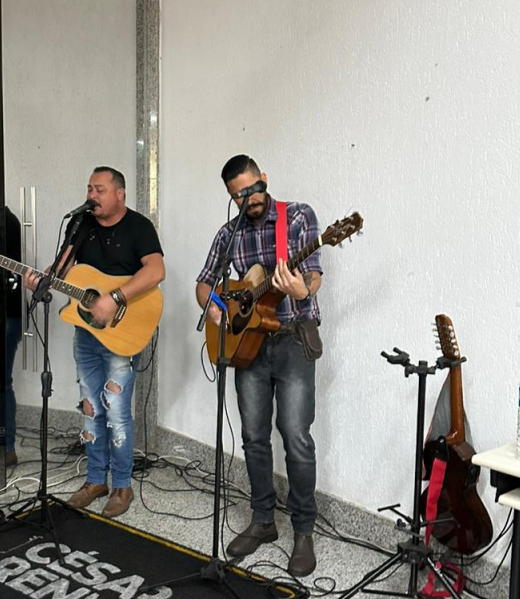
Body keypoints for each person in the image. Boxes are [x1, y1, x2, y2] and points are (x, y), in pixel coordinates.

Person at [195, 155, 323, 577]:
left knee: (296, 436)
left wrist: (302, 289)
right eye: (237, 196)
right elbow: (204, 283)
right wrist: (216, 310)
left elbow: (314, 276)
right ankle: (263, 520)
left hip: (292, 340)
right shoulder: (229, 234)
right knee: (253, 436)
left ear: (263, 180)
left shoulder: (297, 217)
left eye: (251, 190)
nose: (247, 199)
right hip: (248, 345)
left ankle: (303, 530)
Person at [25, 167, 164, 518]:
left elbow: (156, 271)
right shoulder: (81, 225)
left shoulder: (139, 227)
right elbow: (62, 269)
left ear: (120, 194)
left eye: (99, 189)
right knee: (90, 408)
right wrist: (41, 280)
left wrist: (115, 298)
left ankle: (122, 486)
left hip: (122, 332)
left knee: (116, 411)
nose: (92, 195)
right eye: (89, 188)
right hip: (86, 332)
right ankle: (95, 480)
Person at [4, 207, 23, 469]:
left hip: (8, 312)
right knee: (3, 380)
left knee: (2, 381)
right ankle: (5, 447)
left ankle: (7, 447)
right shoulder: (9, 220)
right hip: (7, 313)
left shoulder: (5, 221)